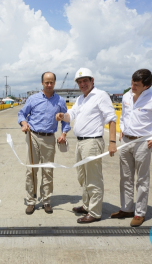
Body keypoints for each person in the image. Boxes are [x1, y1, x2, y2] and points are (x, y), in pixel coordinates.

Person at [110, 69, 152, 227]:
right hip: (126, 141)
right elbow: (123, 116)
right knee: (125, 177)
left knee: (142, 179)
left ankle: (139, 213)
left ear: (147, 86)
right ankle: (126, 208)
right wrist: (122, 128)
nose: (132, 86)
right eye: (131, 83)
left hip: (142, 143)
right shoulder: (126, 96)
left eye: (136, 84)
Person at [55, 67, 117, 223]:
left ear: (92, 80)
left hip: (92, 141)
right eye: (80, 82)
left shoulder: (101, 96)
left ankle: (95, 212)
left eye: (85, 81)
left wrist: (112, 142)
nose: (82, 84)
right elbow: (72, 115)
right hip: (81, 142)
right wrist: (63, 116)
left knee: (93, 178)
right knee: (82, 176)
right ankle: (86, 204)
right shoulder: (81, 99)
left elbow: (111, 119)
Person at [18, 72, 71, 215]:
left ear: (55, 83)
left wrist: (64, 134)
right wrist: (24, 123)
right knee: (32, 170)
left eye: (51, 82)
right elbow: (22, 114)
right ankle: (31, 201)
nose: (49, 85)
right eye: (46, 82)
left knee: (48, 170)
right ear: (42, 83)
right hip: (33, 136)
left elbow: (66, 119)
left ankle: (46, 200)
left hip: (49, 138)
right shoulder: (33, 99)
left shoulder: (60, 101)